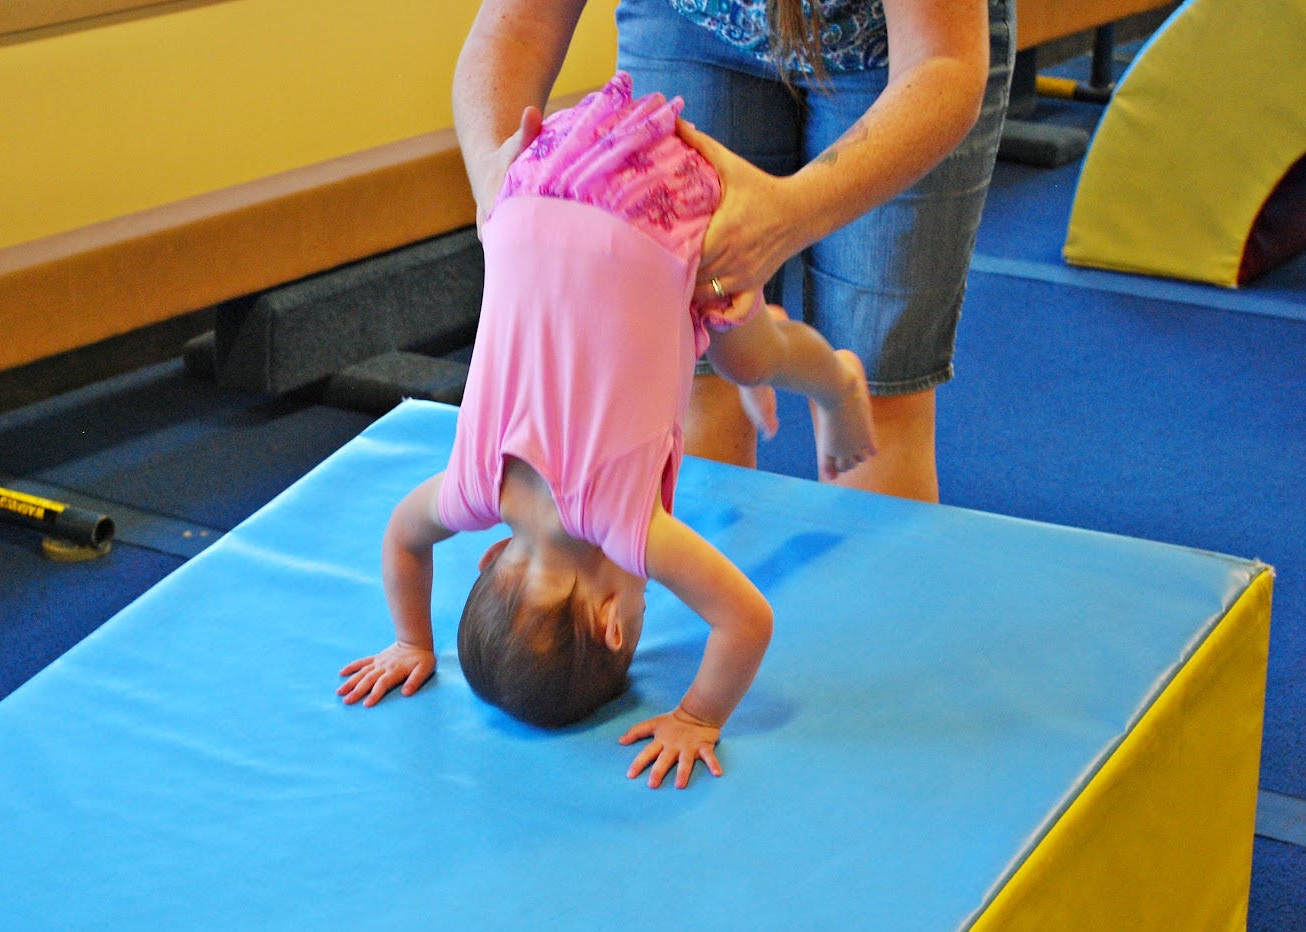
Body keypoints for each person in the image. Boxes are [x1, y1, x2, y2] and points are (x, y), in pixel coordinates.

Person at [337, 74, 875, 789]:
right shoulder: (475, 488)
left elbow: (747, 621)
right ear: (490, 555)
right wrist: (412, 639)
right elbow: (402, 537)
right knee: (703, 344)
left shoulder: (623, 526)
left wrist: (699, 716)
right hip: (542, 172)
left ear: (612, 623)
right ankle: (728, 350)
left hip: (660, 210)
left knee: (752, 352)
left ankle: (838, 383)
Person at [454, 0, 1014, 502]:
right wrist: (493, 180)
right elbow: (513, 29)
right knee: (694, 378)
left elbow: (943, 61)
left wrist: (788, 214)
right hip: (695, 24)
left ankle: (839, 386)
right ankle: (811, 371)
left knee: (880, 393)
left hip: (893, 51)